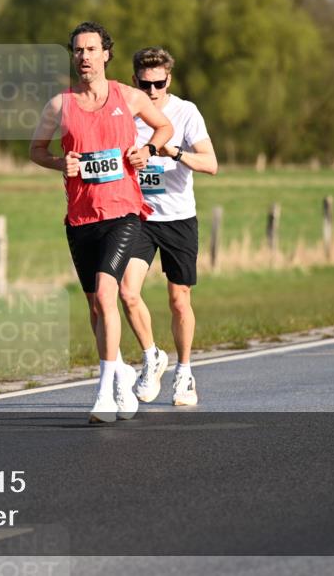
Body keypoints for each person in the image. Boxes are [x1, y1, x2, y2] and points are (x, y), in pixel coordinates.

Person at [29, 22, 174, 423]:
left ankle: (104, 393)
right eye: (78, 50)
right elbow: (36, 150)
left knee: (109, 296)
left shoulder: (127, 97)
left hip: (123, 212)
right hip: (80, 216)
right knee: (96, 307)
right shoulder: (60, 106)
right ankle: (122, 375)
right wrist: (62, 162)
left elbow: (165, 126)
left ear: (106, 54)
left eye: (92, 49)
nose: (85, 57)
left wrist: (147, 150)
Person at [119, 46, 219, 406]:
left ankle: (185, 372)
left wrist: (174, 153)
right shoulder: (125, 114)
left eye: (159, 84)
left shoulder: (186, 112)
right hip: (139, 217)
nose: (153, 92)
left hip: (178, 217)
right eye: (145, 85)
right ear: (135, 81)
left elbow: (211, 164)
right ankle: (152, 357)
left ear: (169, 80)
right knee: (127, 292)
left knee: (179, 299)